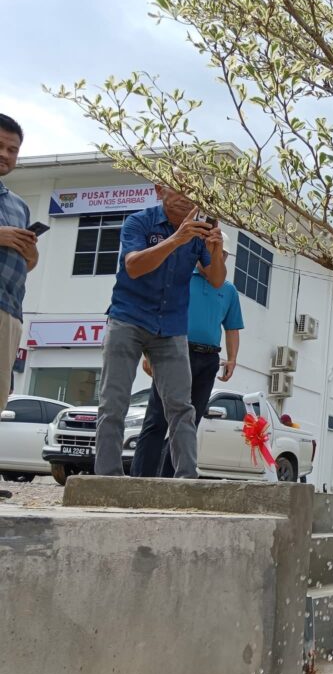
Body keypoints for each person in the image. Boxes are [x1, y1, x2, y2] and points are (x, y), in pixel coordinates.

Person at [94, 186, 225, 478]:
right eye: (179, 188)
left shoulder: (199, 232)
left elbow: (217, 279)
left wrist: (215, 251)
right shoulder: (139, 221)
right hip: (128, 318)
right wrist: (177, 238)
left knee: (181, 406)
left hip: (171, 326)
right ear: (159, 189)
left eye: (193, 191)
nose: (186, 196)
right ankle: (107, 477)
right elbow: (133, 266)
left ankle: (186, 478)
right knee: (113, 402)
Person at [130, 236, 244, 478]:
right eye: (212, 252)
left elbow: (232, 328)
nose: (217, 258)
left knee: (189, 423)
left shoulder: (228, 290)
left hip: (208, 359)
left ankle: (171, 481)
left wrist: (232, 358)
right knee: (157, 420)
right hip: (174, 352)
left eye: (222, 255)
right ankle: (140, 479)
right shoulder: (179, 279)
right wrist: (149, 353)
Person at [0, 114, 38, 414]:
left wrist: (31, 253)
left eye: (12, 149)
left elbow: (26, 264)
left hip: (9, 311)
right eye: (0, 146)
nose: (5, 154)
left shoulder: (19, 205)